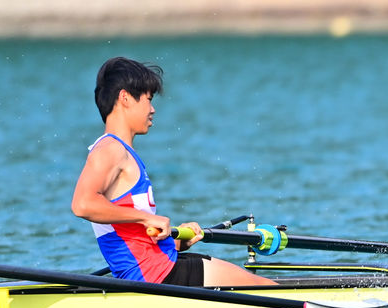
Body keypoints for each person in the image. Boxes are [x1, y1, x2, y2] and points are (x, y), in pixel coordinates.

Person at [71, 57, 273, 287]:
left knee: (261, 284)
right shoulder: (111, 150)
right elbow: (83, 204)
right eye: (148, 99)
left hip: (160, 267)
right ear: (125, 98)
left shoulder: (122, 152)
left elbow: (132, 237)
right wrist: (147, 217)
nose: (153, 109)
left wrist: (177, 241)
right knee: (265, 288)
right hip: (154, 276)